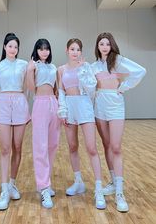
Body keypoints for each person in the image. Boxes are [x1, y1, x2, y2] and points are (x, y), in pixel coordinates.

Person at [92, 32, 146, 212]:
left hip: (115, 105)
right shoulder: (94, 66)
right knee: (106, 144)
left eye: (107, 44)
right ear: (97, 46)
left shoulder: (118, 61)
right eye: (102, 44)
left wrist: (124, 87)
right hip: (99, 105)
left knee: (116, 146)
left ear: (112, 45)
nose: (105, 47)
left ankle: (120, 193)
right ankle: (113, 181)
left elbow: (140, 71)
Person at [57, 38, 106, 209]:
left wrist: (84, 71)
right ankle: (78, 182)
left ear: (81, 51)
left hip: (84, 105)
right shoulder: (61, 70)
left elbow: (92, 89)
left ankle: (99, 189)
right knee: (72, 146)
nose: (75, 52)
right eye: (72, 49)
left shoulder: (87, 67)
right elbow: (61, 92)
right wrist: (62, 110)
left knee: (91, 148)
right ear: (67, 50)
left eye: (78, 49)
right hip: (69, 107)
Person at [0, 33, 30, 210]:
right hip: (3, 105)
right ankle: (4, 190)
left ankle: (12, 183)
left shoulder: (24, 65)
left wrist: (23, 102)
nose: (13, 49)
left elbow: (28, 88)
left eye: (15, 47)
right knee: (5, 148)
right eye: (10, 46)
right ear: (4, 47)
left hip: (20, 103)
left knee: (17, 147)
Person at [26, 39, 60, 209]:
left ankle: (46, 182)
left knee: (53, 145)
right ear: (36, 50)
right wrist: (30, 70)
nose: (44, 51)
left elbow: (57, 89)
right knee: (40, 146)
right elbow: (31, 87)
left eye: (46, 49)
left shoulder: (53, 68)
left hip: (54, 103)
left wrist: (60, 107)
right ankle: (44, 188)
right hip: (39, 103)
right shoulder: (34, 65)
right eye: (41, 49)